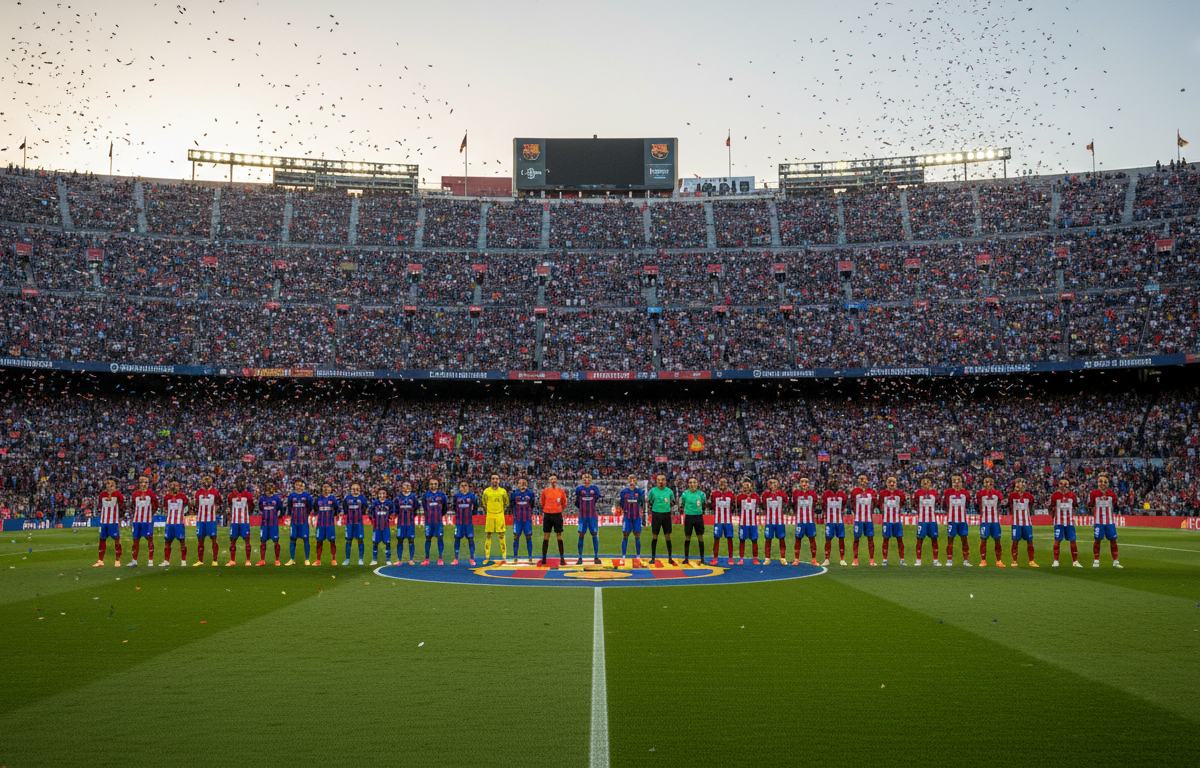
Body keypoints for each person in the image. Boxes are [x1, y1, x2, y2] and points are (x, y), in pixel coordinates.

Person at [1089, 474, 1122, 568]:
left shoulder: (1112, 494)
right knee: (1097, 540)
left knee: (1113, 540)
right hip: (1098, 521)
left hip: (1110, 522)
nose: (1102, 484)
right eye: (1100, 481)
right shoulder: (1093, 494)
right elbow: (1090, 504)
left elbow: (1114, 504)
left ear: (1108, 484)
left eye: (1105, 482)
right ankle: (1096, 560)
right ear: (1097, 483)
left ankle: (1115, 561)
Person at [128, 474, 159, 567]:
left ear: (148, 484)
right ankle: (134, 561)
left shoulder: (151, 493)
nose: (143, 484)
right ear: (138, 484)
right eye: (142, 482)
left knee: (150, 540)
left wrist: (150, 514)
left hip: (147, 521)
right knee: (135, 540)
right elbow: (133, 506)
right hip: (137, 521)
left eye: (145, 482)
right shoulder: (135, 494)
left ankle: (150, 561)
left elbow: (156, 505)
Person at [1050, 477, 1081, 567]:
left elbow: (1075, 505)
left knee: (1073, 541)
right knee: (1057, 541)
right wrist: (1053, 518)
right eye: (1061, 484)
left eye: (1065, 484)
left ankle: (1075, 561)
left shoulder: (1072, 495)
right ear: (1059, 485)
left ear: (1068, 485)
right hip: (1058, 522)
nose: (1064, 486)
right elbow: (1051, 507)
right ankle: (1056, 561)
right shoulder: (1054, 495)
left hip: (1069, 522)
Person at [94, 478, 124, 567]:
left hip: (114, 521)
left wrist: (120, 517)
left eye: (111, 485)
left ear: (114, 486)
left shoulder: (118, 495)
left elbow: (122, 506)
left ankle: (117, 560)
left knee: (116, 540)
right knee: (102, 540)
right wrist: (98, 510)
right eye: (107, 485)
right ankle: (100, 560)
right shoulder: (102, 495)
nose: (109, 487)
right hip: (104, 521)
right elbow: (99, 506)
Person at [848, 473, 877, 567]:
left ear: (867, 481)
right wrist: (857, 512)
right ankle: (855, 559)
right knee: (856, 539)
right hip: (858, 519)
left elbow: (874, 504)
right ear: (858, 481)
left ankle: (872, 559)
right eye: (860, 479)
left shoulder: (872, 492)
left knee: (870, 539)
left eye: (864, 479)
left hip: (868, 519)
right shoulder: (854, 492)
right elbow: (852, 504)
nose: (862, 481)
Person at [976, 476, 1005, 568]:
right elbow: (978, 505)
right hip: (984, 521)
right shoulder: (980, 493)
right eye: (987, 482)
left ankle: (999, 561)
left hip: (995, 521)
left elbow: (1001, 503)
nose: (988, 484)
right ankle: (983, 560)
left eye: (990, 482)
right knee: (983, 540)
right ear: (984, 483)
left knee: (997, 540)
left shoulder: (997, 493)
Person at [648, 473, 677, 566]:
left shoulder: (669, 491)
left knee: (667, 536)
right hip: (656, 514)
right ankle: (653, 558)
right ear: (656, 481)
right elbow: (650, 501)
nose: (661, 481)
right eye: (659, 480)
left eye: (663, 479)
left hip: (666, 515)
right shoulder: (652, 491)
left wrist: (666, 508)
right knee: (654, 536)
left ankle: (670, 557)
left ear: (666, 481)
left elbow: (673, 501)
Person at [1008, 477, 1037, 567]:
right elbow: (1010, 505)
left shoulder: (1029, 496)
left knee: (1030, 541)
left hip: (1027, 523)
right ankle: (1014, 561)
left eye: (1023, 484)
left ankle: (1031, 561)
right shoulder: (1012, 495)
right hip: (1016, 523)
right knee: (1015, 542)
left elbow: (1031, 505)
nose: (1022, 486)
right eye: (1020, 484)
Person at [616, 474, 645, 567]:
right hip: (627, 516)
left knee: (637, 535)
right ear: (628, 481)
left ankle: (638, 555)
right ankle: (623, 555)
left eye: (634, 478)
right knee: (625, 534)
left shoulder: (640, 491)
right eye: (630, 479)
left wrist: (643, 516)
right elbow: (621, 503)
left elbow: (642, 503)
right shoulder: (624, 492)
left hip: (636, 517)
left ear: (636, 480)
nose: (632, 480)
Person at [943, 474, 971, 567]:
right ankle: (949, 560)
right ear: (951, 483)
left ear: (961, 482)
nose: (956, 483)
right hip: (952, 520)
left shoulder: (965, 493)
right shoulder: (947, 492)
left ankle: (966, 560)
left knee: (964, 541)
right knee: (950, 540)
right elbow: (944, 505)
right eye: (954, 481)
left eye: (958, 481)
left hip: (962, 521)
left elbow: (967, 503)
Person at [194, 475, 222, 567]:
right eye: (204, 481)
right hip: (201, 520)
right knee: (200, 540)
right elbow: (196, 503)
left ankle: (215, 560)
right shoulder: (199, 492)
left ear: (211, 482)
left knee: (213, 539)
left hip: (211, 520)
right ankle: (200, 560)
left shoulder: (215, 492)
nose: (206, 483)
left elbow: (219, 502)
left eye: (208, 481)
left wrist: (214, 510)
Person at [539, 474, 567, 566]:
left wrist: (557, 509)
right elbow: (542, 503)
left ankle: (562, 557)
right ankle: (544, 558)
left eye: (555, 479)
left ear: (557, 480)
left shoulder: (561, 491)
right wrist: (548, 509)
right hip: (547, 514)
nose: (553, 480)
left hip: (557, 515)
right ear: (549, 481)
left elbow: (564, 503)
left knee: (559, 536)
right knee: (546, 536)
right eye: (551, 479)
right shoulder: (545, 492)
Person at [481, 474, 510, 564]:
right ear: (491, 480)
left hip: (499, 516)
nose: (495, 480)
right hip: (490, 516)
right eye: (493, 479)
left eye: (496, 479)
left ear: (499, 480)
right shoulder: (486, 491)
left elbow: (507, 503)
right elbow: (484, 503)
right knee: (488, 536)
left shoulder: (503, 491)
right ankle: (487, 557)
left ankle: (504, 557)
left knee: (501, 536)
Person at [791, 477, 819, 566]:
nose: (804, 484)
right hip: (800, 521)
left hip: (810, 521)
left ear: (809, 484)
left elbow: (814, 504)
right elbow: (793, 504)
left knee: (812, 540)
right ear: (799, 484)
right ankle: (796, 558)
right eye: (802, 482)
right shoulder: (796, 493)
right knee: (798, 540)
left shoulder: (813, 493)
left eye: (806, 482)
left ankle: (814, 559)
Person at [575, 472, 602, 565]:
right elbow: (577, 501)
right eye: (584, 478)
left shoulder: (595, 489)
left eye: (588, 478)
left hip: (592, 516)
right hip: (582, 516)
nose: (586, 480)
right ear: (582, 480)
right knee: (581, 534)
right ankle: (580, 557)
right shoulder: (579, 489)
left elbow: (597, 498)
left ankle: (596, 556)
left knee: (594, 534)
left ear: (591, 480)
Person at [285, 478, 314, 566]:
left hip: (303, 522)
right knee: (293, 539)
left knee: (306, 539)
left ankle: (307, 559)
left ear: (303, 486)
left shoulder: (307, 496)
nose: (299, 487)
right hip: (294, 522)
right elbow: (290, 508)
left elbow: (310, 507)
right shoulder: (291, 496)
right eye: (297, 485)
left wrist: (306, 515)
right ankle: (292, 559)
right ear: (295, 486)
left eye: (301, 485)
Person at [160, 479, 189, 566]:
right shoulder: (166, 497)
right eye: (172, 485)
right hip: (169, 524)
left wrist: (184, 512)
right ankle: (166, 561)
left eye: (176, 485)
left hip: (179, 523)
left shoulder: (182, 496)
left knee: (182, 542)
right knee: (167, 542)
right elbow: (165, 508)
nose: (174, 487)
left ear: (179, 487)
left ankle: (183, 561)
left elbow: (188, 504)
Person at [226, 476, 254, 567]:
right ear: (236, 483)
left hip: (244, 522)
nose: (241, 484)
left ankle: (248, 560)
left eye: (242, 482)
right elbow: (230, 507)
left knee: (247, 541)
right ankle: (232, 560)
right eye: (239, 482)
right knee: (232, 541)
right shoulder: (231, 495)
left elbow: (251, 508)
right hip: (234, 522)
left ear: (245, 483)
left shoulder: (248, 495)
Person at [878, 475, 905, 566]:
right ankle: (884, 560)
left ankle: (902, 560)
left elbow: (903, 503)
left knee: (900, 540)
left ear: (896, 483)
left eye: (893, 482)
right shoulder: (882, 493)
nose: (892, 484)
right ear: (887, 484)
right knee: (886, 540)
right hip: (887, 521)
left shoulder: (900, 494)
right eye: (890, 482)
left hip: (897, 521)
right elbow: (880, 504)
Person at [913, 476, 941, 566]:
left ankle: (935, 561)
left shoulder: (934, 493)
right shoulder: (918, 493)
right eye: (923, 483)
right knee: (919, 540)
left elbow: (937, 502)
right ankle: (918, 560)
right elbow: (914, 503)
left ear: (930, 484)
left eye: (927, 483)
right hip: (922, 520)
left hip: (932, 521)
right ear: (921, 484)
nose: (925, 485)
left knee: (934, 540)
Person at [680, 477, 708, 566]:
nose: (692, 484)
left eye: (694, 482)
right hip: (689, 517)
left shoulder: (701, 494)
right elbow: (682, 504)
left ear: (697, 484)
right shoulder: (685, 494)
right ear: (688, 484)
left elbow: (703, 504)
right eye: (690, 482)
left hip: (698, 517)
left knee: (700, 537)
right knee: (687, 537)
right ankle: (686, 558)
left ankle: (702, 559)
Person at [820, 476, 848, 567]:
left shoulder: (842, 494)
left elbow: (844, 505)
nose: (834, 484)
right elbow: (823, 505)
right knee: (828, 539)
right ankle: (827, 559)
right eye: (832, 481)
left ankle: (842, 559)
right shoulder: (826, 494)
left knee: (841, 539)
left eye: (835, 481)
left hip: (839, 521)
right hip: (829, 520)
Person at [759, 477, 787, 565]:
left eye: (775, 483)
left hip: (780, 521)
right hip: (769, 521)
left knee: (782, 539)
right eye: (771, 483)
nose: (773, 485)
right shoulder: (765, 495)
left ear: (778, 485)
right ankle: (767, 558)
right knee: (768, 539)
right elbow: (763, 504)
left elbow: (786, 502)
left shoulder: (782, 494)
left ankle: (783, 557)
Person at [256, 480, 283, 566]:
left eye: (270, 487)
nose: (268, 489)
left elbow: (281, 508)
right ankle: (262, 560)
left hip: (273, 524)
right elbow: (260, 509)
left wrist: (278, 515)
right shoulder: (262, 499)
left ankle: (277, 560)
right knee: (263, 541)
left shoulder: (277, 499)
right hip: (264, 524)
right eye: (267, 488)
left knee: (276, 541)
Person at [422, 478, 448, 565]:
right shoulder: (425, 495)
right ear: (429, 485)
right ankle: (426, 559)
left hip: (438, 521)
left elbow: (445, 508)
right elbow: (424, 507)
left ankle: (440, 558)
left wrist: (440, 515)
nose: (433, 486)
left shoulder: (442, 495)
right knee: (427, 538)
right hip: (429, 521)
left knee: (440, 538)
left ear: (438, 485)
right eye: (431, 484)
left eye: (435, 484)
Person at [452, 480, 479, 566]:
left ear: (468, 487)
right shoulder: (456, 496)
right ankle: (456, 558)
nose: (464, 487)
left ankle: (472, 559)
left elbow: (476, 506)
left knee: (470, 539)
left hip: (468, 522)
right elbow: (454, 506)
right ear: (459, 487)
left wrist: (472, 514)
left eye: (465, 485)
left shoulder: (472, 496)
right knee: (457, 538)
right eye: (462, 486)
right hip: (459, 522)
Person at [710, 477, 736, 566]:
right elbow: (712, 505)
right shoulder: (714, 494)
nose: (723, 484)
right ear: (718, 484)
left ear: (727, 484)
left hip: (728, 521)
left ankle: (730, 558)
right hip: (718, 521)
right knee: (716, 539)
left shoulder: (730, 494)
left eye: (724, 483)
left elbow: (732, 505)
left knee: (729, 539)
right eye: (721, 483)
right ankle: (715, 557)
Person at [314, 482, 341, 566]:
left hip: (330, 524)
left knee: (332, 541)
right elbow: (315, 510)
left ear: (330, 489)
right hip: (320, 524)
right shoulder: (318, 499)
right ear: (322, 489)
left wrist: (333, 517)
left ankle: (333, 559)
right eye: (324, 487)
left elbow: (337, 509)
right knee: (319, 542)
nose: (326, 489)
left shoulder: (333, 499)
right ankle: (318, 560)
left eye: (327, 487)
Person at [342, 481, 368, 566]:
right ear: (351, 490)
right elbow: (345, 508)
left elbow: (365, 507)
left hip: (359, 523)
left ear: (360, 489)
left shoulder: (362, 498)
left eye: (357, 489)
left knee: (360, 540)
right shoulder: (347, 498)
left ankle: (360, 559)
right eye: (353, 489)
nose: (355, 490)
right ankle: (347, 559)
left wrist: (362, 514)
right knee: (348, 540)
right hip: (349, 523)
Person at [511, 477, 536, 564]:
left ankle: (530, 557)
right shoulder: (514, 493)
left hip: (527, 519)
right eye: (520, 483)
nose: (522, 484)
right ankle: (515, 557)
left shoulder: (530, 493)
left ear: (527, 484)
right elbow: (512, 504)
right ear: (518, 484)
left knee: (528, 537)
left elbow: (532, 504)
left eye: (524, 483)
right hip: (517, 519)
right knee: (516, 536)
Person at [735, 479, 760, 565]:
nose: (746, 488)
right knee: (742, 541)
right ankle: (741, 559)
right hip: (743, 523)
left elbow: (757, 503)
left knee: (754, 541)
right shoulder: (740, 496)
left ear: (751, 487)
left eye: (748, 486)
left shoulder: (755, 496)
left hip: (753, 523)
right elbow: (737, 504)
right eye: (744, 486)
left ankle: (755, 559)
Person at [394, 481, 419, 565]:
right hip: (401, 524)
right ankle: (399, 560)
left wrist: (412, 515)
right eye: (405, 486)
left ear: (411, 488)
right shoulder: (398, 498)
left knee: (411, 540)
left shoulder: (413, 497)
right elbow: (396, 509)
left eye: (408, 486)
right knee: (400, 540)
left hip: (410, 523)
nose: (406, 488)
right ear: (401, 488)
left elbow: (416, 507)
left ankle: (411, 559)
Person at [369, 486, 393, 566]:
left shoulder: (389, 503)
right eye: (380, 493)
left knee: (387, 543)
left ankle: (388, 560)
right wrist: (371, 518)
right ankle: (374, 560)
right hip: (377, 527)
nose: (382, 495)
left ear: (386, 495)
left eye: (383, 493)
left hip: (386, 527)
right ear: (378, 495)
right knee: (375, 543)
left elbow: (393, 512)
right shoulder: (375, 503)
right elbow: (370, 511)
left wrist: (391, 516)